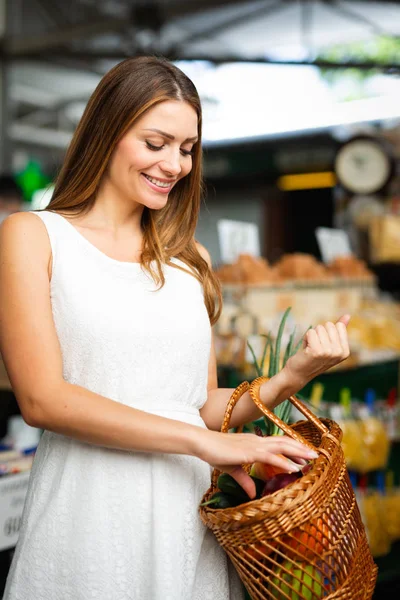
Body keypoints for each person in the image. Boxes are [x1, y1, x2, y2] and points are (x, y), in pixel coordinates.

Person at [0, 56, 350, 600]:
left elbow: (199, 405)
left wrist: (290, 377)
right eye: (156, 143)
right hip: (88, 509)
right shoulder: (34, 236)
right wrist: (208, 445)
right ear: (107, 133)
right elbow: (43, 400)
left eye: (187, 149)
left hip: (186, 518)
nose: (175, 164)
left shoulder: (190, 260)